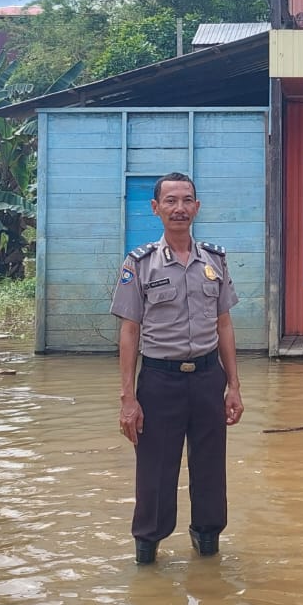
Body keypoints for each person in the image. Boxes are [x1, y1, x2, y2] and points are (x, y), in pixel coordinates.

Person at [110, 172, 244, 565]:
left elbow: (224, 325)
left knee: (210, 473)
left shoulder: (215, 261)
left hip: (206, 379)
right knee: (154, 475)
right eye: (170, 201)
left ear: (197, 208)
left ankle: (207, 546)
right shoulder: (140, 264)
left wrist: (233, 385)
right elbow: (129, 332)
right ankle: (147, 556)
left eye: (187, 200)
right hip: (159, 382)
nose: (179, 208)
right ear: (156, 209)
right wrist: (128, 398)